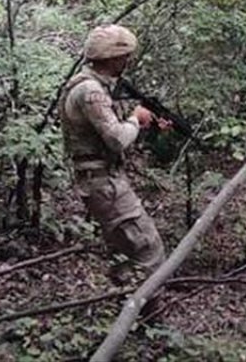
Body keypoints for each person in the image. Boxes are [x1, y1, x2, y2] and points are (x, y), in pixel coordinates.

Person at [59, 24, 166, 280]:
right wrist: (135, 119)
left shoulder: (94, 86)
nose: (128, 61)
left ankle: (124, 305)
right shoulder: (91, 91)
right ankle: (147, 315)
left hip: (103, 179)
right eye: (125, 56)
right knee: (148, 249)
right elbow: (117, 139)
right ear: (113, 57)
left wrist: (146, 124)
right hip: (103, 183)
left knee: (123, 251)